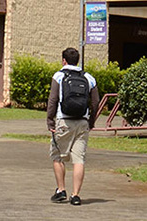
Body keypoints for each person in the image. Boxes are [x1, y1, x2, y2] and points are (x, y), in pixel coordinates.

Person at [46, 48, 99, 205]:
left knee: (57, 156)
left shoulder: (59, 76)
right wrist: (91, 121)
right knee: (79, 159)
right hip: (82, 121)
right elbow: (95, 102)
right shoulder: (88, 78)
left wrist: (50, 120)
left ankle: (61, 190)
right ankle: (75, 195)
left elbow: (52, 100)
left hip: (64, 121)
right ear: (78, 60)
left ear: (63, 60)